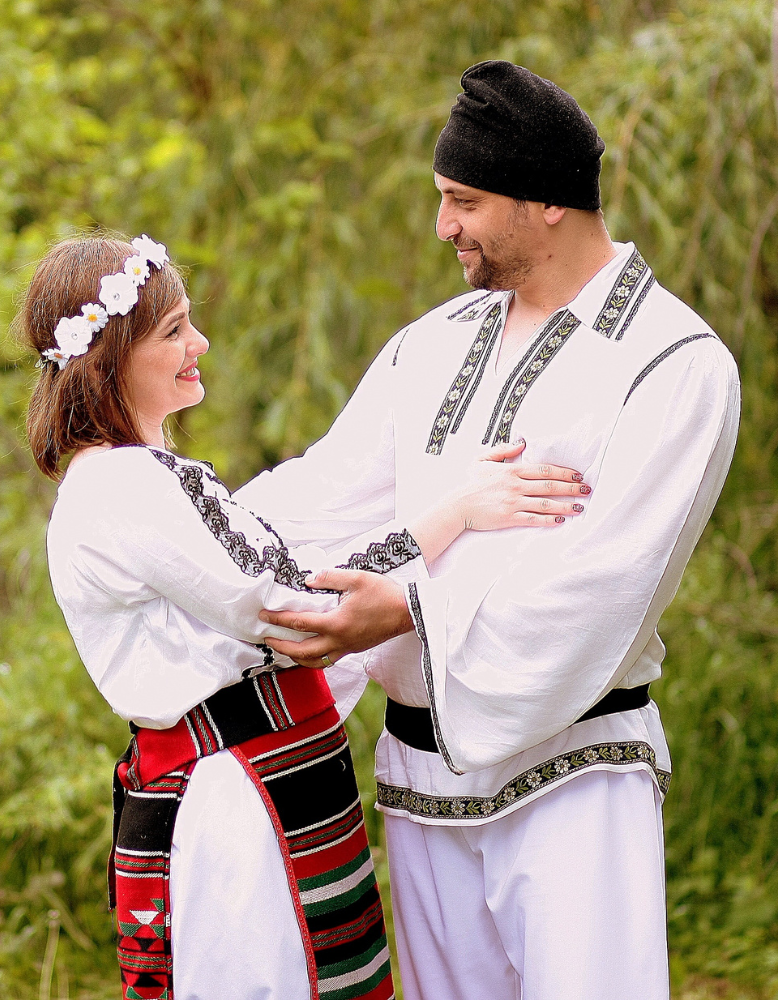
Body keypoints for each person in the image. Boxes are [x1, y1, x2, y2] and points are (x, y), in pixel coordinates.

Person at [237, 62, 741, 1000]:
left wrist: (403, 610)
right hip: (418, 785)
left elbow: (601, 584)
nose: (444, 226)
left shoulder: (673, 363)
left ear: (547, 201)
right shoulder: (431, 343)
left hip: (575, 775)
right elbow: (325, 496)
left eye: (464, 201)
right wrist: (191, 531)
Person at [24, 234, 587, 1000]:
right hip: (241, 798)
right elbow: (299, 607)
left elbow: (285, 567)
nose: (199, 343)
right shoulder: (123, 487)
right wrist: (453, 514)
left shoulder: (143, 478)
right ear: (110, 358)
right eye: (174, 331)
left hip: (271, 778)